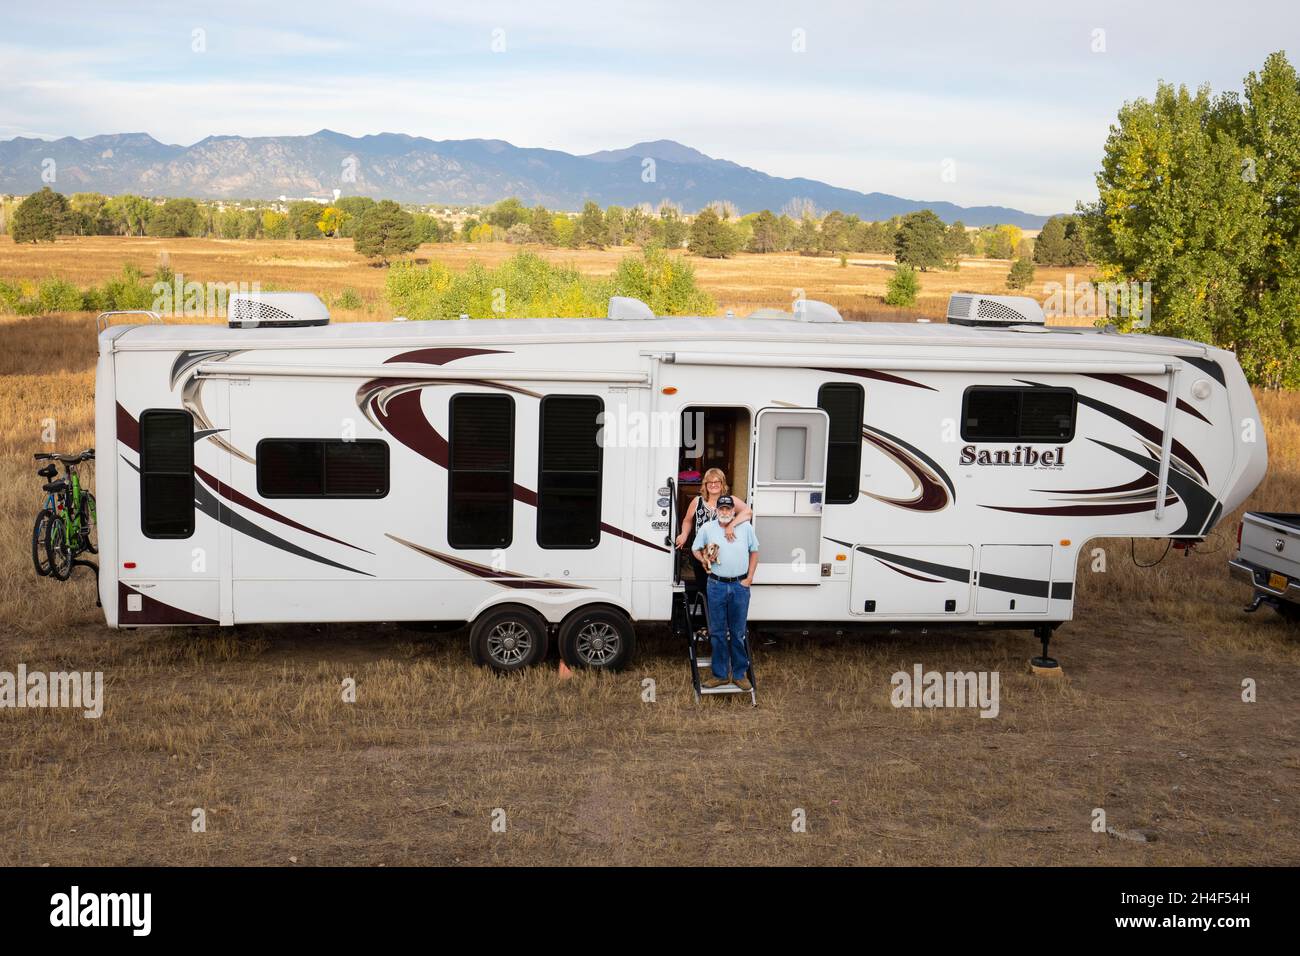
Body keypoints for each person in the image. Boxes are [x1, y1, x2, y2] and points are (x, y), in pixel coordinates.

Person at [691, 495, 759, 691]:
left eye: (728, 509)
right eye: (721, 509)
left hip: (740, 586)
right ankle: (720, 675)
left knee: (737, 633)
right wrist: (704, 559)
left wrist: (750, 578)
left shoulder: (745, 528)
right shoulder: (707, 528)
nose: (725, 512)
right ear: (717, 511)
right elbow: (695, 549)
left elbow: (754, 552)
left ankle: (739, 675)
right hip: (716, 586)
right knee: (718, 633)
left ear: (733, 511)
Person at [674, 468, 753, 597]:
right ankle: (708, 615)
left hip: (722, 553)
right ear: (705, 485)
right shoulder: (697, 501)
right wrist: (684, 534)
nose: (713, 484)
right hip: (700, 552)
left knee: (719, 590)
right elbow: (687, 521)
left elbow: (748, 512)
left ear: (722, 484)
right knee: (704, 588)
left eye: (717, 481)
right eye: (709, 482)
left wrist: (731, 525)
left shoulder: (729, 501)